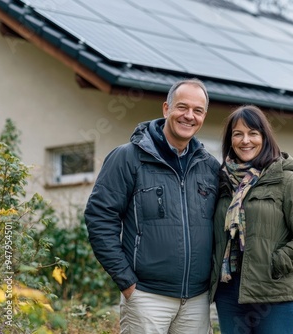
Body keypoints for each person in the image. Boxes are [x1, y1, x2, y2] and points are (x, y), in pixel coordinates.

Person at [84, 78, 220, 333]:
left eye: (197, 110)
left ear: (203, 116)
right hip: (146, 298)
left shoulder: (209, 166)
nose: (189, 116)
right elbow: (100, 218)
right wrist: (127, 283)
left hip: (197, 301)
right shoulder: (128, 157)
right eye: (182, 107)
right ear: (166, 109)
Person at [210, 105, 293, 334]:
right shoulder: (222, 183)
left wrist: (274, 264)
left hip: (276, 295)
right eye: (238, 134)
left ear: (265, 137)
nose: (245, 140)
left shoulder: (285, 180)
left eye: (253, 133)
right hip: (231, 295)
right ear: (230, 140)